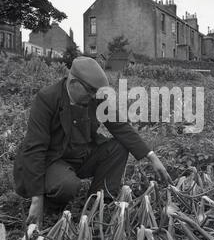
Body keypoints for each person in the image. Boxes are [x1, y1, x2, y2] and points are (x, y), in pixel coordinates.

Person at [13, 56, 172, 227]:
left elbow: (120, 126)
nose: (94, 96)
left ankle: (98, 205)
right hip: (53, 161)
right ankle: (51, 208)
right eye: (90, 91)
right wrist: (36, 200)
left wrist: (152, 157)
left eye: (96, 92)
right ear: (73, 82)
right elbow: (35, 148)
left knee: (118, 147)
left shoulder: (95, 97)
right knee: (67, 185)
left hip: (81, 156)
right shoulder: (47, 99)